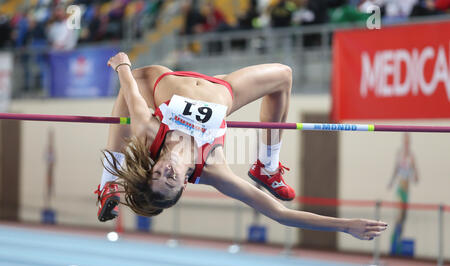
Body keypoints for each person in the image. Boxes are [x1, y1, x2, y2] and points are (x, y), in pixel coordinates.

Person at [94, 51, 388, 241]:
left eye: (157, 172)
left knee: (137, 77)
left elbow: (130, 90)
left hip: (165, 79)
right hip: (224, 90)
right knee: (283, 76)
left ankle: (107, 182)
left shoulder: (149, 133)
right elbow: (280, 214)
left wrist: (121, 64)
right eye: (170, 178)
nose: (165, 170)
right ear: (184, 182)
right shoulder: (214, 172)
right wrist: (345, 225)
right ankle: (267, 166)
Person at [387, 133, 419, 255]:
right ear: (403, 141)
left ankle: (398, 243)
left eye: (408, 141)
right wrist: (391, 182)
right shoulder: (400, 154)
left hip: (407, 190)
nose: (406, 143)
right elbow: (395, 170)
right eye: (405, 141)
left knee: (403, 219)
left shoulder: (411, 156)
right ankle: (393, 242)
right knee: (399, 217)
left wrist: (415, 176)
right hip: (400, 188)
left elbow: (415, 172)